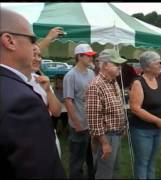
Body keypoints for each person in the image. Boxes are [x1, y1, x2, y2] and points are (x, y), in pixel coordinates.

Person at [0, 7, 65, 178]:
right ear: (9, 41)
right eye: (32, 40)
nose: (35, 50)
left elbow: (57, 110)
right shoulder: (21, 100)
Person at [86, 49, 127, 179]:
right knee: (104, 173)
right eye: (116, 64)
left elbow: (118, 107)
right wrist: (104, 143)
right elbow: (94, 120)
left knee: (114, 170)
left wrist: (123, 126)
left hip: (116, 134)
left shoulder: (113, 81)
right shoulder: (96, 85)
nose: (119, 67)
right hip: (105, 136)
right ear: (104, 65)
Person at [129, 51, 161, 179]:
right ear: (147, 66)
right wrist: (157, 121)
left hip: (157, 131)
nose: (160, 65)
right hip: (142, 131)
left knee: (152, 163)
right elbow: (135, 108)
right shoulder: (138, 83)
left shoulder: (158, 80)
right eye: (157, 63)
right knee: (142, 163)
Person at [63, 43, 96, 178]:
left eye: (91, 56)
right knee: (77, 161)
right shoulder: (70, 76)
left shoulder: (91, 73)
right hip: (79, 125)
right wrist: (77, 123)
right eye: (88, 56)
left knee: (92, 158)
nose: (91, 58)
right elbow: (68, 101)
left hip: (92, 124)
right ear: (79, 56)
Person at [29, 44, 62, 158]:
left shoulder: (42, 80)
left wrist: (48, 90)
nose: (38, 59)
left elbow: (57, 112)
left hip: (49, 137)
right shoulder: (13, 81)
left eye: (39, 55)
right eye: (34, 55)